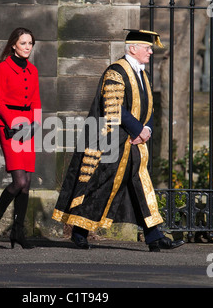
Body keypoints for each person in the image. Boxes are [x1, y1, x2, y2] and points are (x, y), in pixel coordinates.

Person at [52, 29, 185, 252]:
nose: (151, 52)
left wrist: (147, 129)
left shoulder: (142, 74)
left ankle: (154, 236)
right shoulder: (116, 71)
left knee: (140, 186)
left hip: (133, 141)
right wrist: (138, 130)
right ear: (133, 48)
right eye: (147, 48)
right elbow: (115, 109)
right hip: (111, 141)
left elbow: (149, 106)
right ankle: (79, 231)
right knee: (99, 185)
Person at [0, 27, 41, 249]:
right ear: (13, 45)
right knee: (20, 181)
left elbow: (36, 99)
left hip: (29, 126)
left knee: (27, 184)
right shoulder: (2, 68)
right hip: (10, 125)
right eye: (23, 43)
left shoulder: (33, 71)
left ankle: (18, 231)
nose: (27, 47)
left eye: (30, 43)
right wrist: (12, 123)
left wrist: (36, 123)